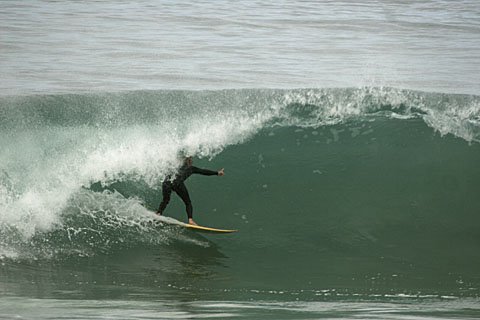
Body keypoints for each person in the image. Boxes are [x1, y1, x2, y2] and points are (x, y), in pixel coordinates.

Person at [157, 156, 224, 226]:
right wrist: (217, 173)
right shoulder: (191, 168)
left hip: (166, 183)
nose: (192, 161)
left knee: (165, 200)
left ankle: (158, 213)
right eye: (191, 160)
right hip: (177, 183)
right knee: (188, 202)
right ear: (188, 161)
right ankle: (190, 220)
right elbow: (203, 171)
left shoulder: (175, 167)